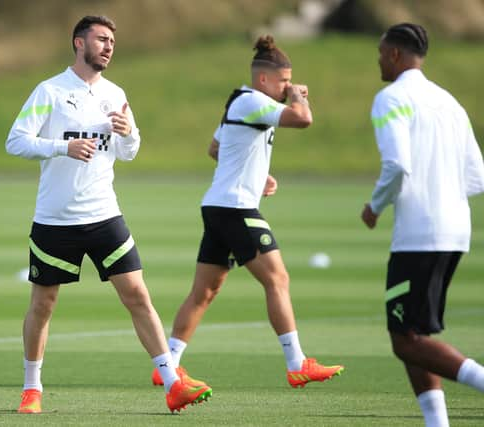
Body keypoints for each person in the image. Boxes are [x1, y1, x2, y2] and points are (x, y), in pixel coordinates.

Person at [5, 15, 212, 414]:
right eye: (101, 39)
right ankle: (32, 388)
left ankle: (172, 383)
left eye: (112, 41)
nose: (109, 46)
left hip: (104, 215)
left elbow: (129, 152)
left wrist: (127, 131)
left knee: (137, 294)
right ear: (79, 43)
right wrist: (62, 148)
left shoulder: (115, 93)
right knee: (43, 304)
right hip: (56, 219)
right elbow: (16, 141)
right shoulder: (49, 90)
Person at [151, 35, 344, 389]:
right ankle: (297, 362)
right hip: (236, 207)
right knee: (278, 279)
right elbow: (303, 119)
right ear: (264, 79)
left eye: (290, 82)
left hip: (219, 205)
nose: (288, 87)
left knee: (205, 292)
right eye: (284, 81)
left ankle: (170, 363)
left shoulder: (241, 100)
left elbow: (215, 148)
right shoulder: (253, 101)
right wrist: (299, 95)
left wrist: (256, 172)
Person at [361, 22, 484, 427]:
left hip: (419, 233)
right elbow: (477, 177)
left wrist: (375, 206)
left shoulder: (391, 98)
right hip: (455, 229)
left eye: (381, 53)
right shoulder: (449, 102)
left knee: (405, 340)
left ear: (395, 54)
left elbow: (397, 163)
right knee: (414, 336)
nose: (378, 60)